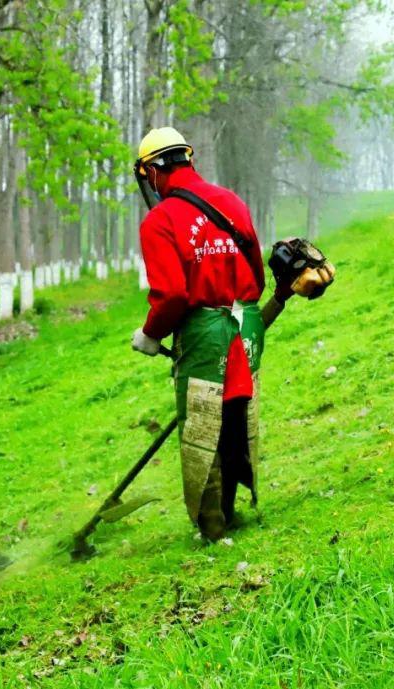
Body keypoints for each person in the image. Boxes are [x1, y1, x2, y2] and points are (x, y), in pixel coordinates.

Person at [130, 127, 294, 541]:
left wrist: (151, 334)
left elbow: (172, 295)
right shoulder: (231, 202)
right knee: (237, 415)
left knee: (202, 425)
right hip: (245, 325)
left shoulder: (160, 220)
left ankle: (213, 528)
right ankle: (232, 510)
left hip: (204, 332)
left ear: (151, 172)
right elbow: (255, 275)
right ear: (188, 158)